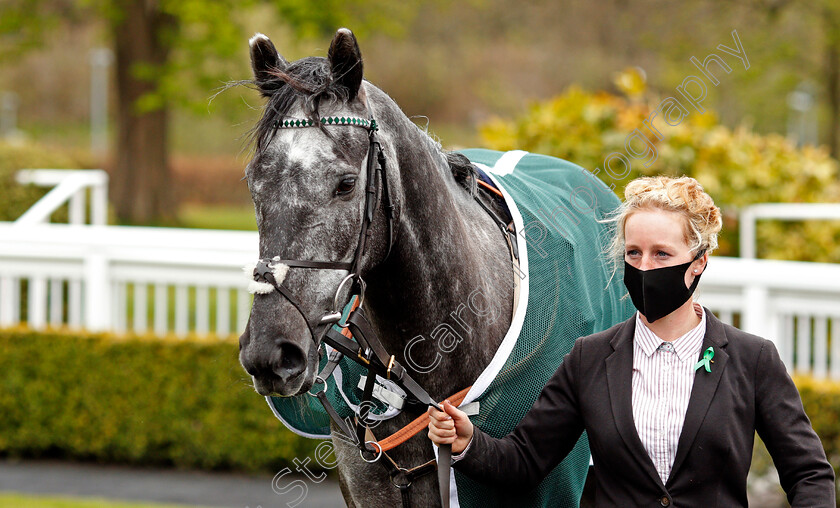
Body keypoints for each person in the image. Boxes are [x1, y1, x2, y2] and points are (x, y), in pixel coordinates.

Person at [428, 176, 836, 507]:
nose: (643, 267)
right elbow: (526, 460)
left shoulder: (753, 359)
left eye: (661, 254)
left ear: (699, 263)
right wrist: (468, 442)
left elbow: (808, 474)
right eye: (634, 253)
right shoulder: (589, 357)